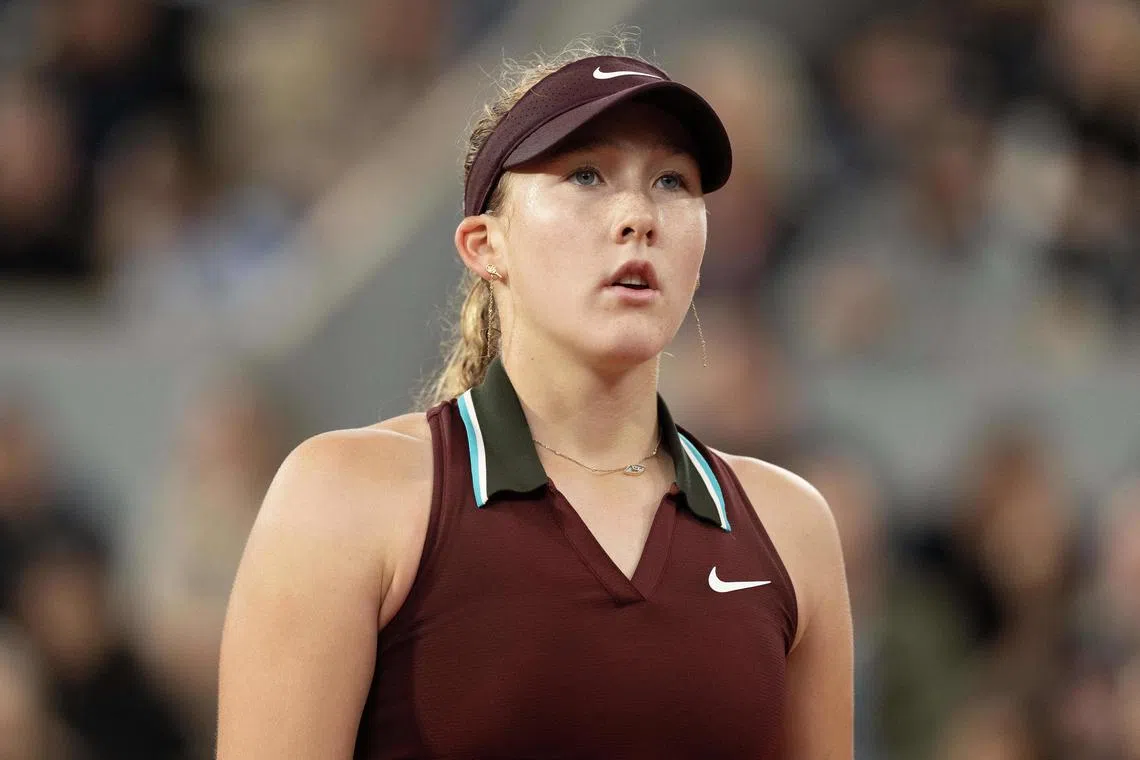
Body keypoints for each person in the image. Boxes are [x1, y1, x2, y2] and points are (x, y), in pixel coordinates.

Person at [218, 40, 853, 759]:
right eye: (587, 175)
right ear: (486, 246)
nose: (638, 216)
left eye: (672, 182)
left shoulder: (791, 527)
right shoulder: (344, 496)